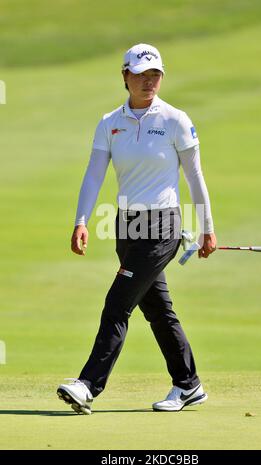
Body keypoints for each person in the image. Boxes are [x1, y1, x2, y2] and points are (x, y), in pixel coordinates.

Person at [57, 43, 217, 414]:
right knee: (158, 310)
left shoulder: (175, 120)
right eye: (142, 75)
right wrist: (81, 220)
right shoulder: (110, 122)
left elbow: (195, 177)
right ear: (124, 76)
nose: (149, 82)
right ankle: (188, 384)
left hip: (162, 226)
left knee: (117, 305)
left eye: (155, 75)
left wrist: (207, 228)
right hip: (125, 226)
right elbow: (94, 174)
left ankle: (87, 385)